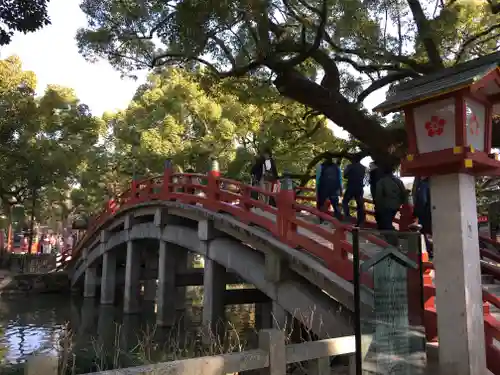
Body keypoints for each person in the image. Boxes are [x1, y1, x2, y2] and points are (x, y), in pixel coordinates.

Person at [374, 165, 408, 233]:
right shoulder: (399, 181)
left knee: (386, 224)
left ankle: (391, 239)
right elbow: (404, 193)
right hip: (396, 205)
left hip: (385, 206)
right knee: (388, 222)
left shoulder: (381, 182)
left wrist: (377, 207)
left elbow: (378, 196)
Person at [316, 154, 342, 221]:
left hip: (323, 187)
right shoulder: (336, 167)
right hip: (334, 188)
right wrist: (340, 189)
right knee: (335, 204)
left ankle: (321, 219)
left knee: (321, 203)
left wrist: (317, 190)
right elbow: (340, 179)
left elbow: (318, 179)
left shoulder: (320, 166)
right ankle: (338, 220)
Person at [342, 154, 366, 226]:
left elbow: (345, 175)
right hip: (359, 187)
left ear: (353, 159)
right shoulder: (363, 168)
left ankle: (347, 216)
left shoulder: (350, 166)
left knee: (345, 201)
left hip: (351, 186)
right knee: (360, 204)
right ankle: (360, 221)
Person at [413, 176, 433, 258]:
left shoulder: (423, 185)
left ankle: (429, 252)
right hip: (433, 213)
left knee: (426, 235)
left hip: (425, 215)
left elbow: (422, 201)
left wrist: (416, 214)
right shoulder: (434, 184)